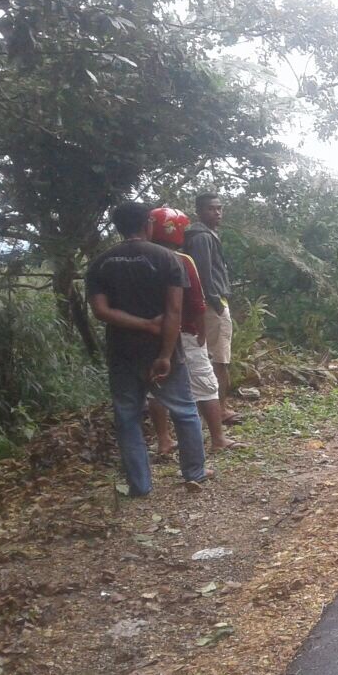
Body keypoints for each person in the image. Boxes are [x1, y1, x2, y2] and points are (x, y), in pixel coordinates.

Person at [85, 201, 214, 496]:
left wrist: (142, 324)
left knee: (127, 416)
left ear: (119, 227)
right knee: (184, 409)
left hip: (122, 352)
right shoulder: (168, 259)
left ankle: (139, 485)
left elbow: (100, 311)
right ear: (148, 224)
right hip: (163, 349)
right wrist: (165, 354)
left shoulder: (100, 263)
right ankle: (194, 472)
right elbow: (174, 310)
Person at [145, 207, 242, 455]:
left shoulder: (143, 259)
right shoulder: (182, 260)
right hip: (185, 331)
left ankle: (164, 440)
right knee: (205, 383)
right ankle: (217, 439)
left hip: (151, 333)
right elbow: (196, 301)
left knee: (156, 386)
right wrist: (200, 330)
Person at [184, 192, 241, 425]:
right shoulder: (202, 238)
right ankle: (220, 410)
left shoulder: (205, 235)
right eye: (211, 209)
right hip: (211, 305)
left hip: (210, 303)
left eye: (219, 208)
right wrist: (216, 303)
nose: (217, 213)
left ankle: (215, 409)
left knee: (212, 357)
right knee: (219, 358)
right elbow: (203, 274)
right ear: (199, 211)